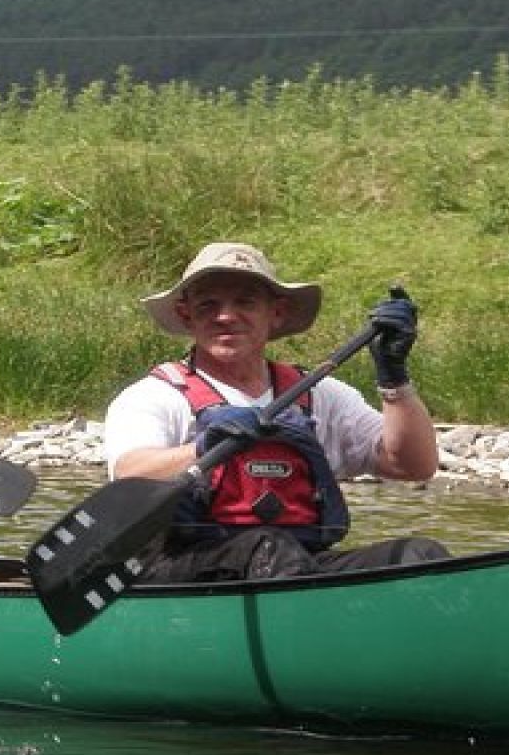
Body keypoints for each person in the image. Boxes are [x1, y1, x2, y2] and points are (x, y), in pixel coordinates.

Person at [102, 241, 450, 583]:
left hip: (297, 565)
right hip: (183, 566)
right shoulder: (154, 396)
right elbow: (130, 473)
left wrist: (394, 378)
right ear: (186, 315)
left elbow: (413, 466)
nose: (225, 316)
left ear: (277, 312)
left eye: (245, 302)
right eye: (208, 305)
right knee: (269, 548)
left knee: (419, 556)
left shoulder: (320, 395)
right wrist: (201, 448)